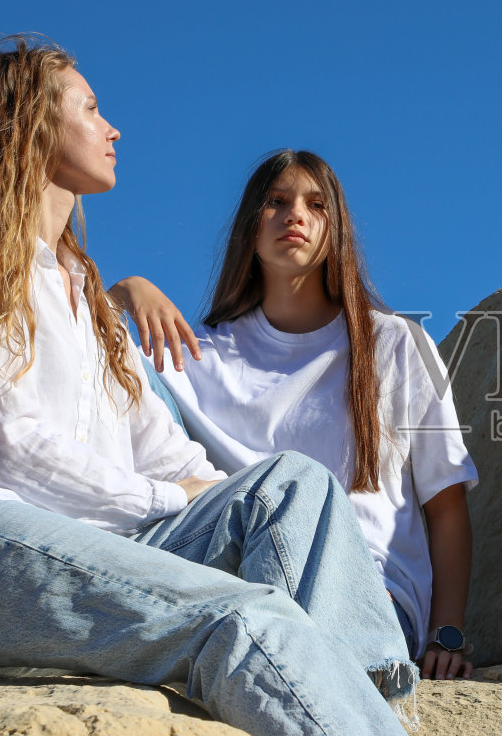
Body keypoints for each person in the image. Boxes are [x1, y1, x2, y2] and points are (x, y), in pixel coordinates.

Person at [0, 36, 502, 736]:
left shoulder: (87, 300)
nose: (114, 128)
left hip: (80, 538)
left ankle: (370, 723)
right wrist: (174, 503)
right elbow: (18, 452)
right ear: (28, 129)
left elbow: (160, 447)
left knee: (295, 485)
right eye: (91, 108)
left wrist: (196, 485)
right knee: (238, 613)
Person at [110, 151, 476, 681]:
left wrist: (447, 632)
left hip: (368, 595)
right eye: (276, 202)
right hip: (242, 582)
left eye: (316, 205)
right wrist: (123, 290)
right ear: (249, 225)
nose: (295, 216)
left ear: (337, 227)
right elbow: (92, 372)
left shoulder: (397, 343)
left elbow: (446, 506)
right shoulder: (197, 355)